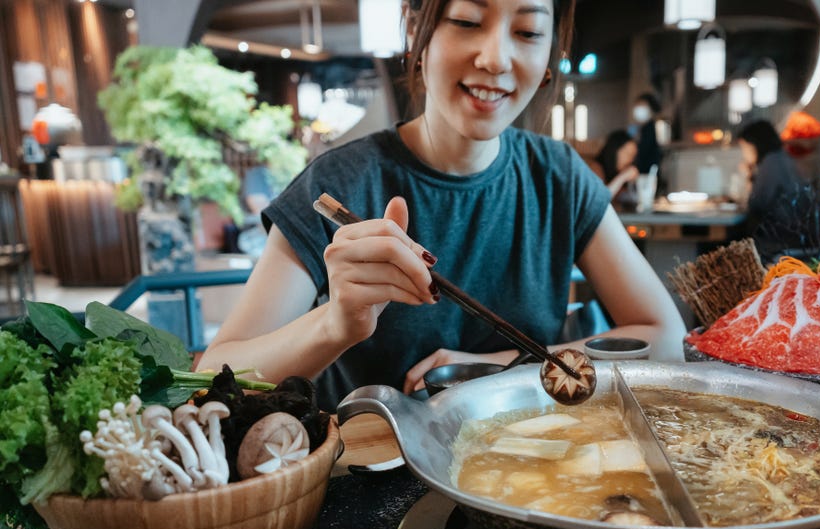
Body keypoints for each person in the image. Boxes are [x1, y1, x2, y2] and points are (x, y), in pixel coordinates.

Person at [197, 0, 686, 411]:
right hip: (369, 485)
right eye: (468, 21)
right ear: (417, 30)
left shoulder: (558, 176)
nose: (495, 58)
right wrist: (335, 323)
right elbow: (212, 379)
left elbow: (665, 340)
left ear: (550, 55)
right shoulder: (337, 184)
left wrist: (499, 366)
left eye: (528, 31)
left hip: (525, 467)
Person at [736, 119, 807, 262]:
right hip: (796, 238)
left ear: (755, 145)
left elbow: (756, 204)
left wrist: (749, 175)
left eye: (745, 148)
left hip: (779, 243)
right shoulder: (782, 158)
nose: (745, 154)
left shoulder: (771, 163)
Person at [594, 129, 639, 206]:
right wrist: (623, 176)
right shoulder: (595, 168)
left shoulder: (615, 172)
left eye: (633, 156)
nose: (630, 160)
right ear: (614, 151)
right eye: (628, 154)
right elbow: (599, 201)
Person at [629, 92, 663, 175]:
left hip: (647, 173)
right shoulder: (644, 128)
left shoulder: (650, 128)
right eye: (637, 106)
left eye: (642, 106)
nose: (639, 110)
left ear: (651, 109)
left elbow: (642, 151)